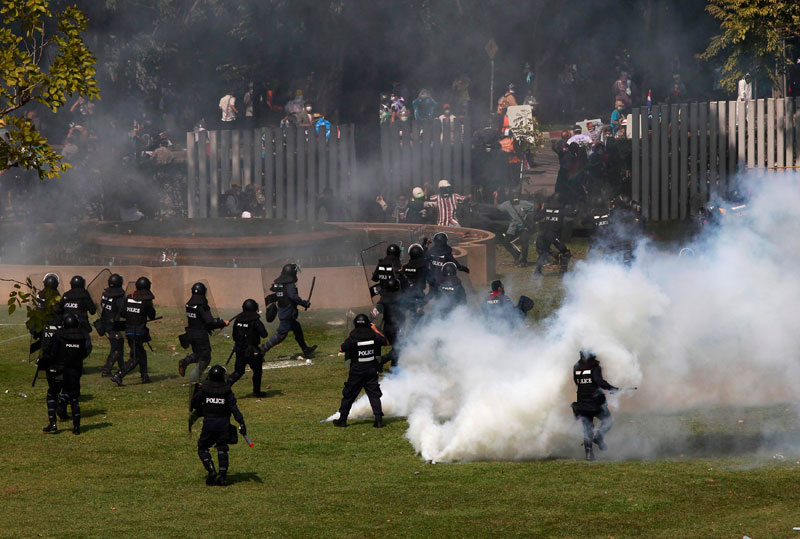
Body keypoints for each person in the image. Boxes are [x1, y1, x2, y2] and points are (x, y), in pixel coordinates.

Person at [191, 365, 246, 486]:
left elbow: (195, 403)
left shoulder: (205, 389)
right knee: (222, 448)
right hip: (223, 425)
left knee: (203, 447)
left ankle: (211, 469)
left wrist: (196, 391)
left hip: (209, 424)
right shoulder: (227, 391)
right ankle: (222, 476)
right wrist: (241, 422)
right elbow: (234, 409)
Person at [332, 314, 388, 428]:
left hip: (356, 371)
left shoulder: (353, 337)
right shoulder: (374, 335)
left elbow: (341, 348)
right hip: (372, 370)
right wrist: (375, 329)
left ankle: (342, 420)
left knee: (349, 395)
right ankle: (378, 420)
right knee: (374, 396)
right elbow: (386, 342)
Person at [40, 314, 89, 434]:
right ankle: (76, 427)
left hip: (59, 372)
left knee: (52, 395)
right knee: (74, 398)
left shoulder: (59, 335)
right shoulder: (81, 337)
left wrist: (43, 363)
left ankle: (53, 423)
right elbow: (84, 352)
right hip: (74, 372)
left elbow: (51, 353)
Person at [262, 264, 317, 358]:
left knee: (297, 329)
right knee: (281, 335)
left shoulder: (280, 283)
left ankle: (305, 349)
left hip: (284, 310)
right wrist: (304, 303)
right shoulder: (289, 284)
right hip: (288, 312)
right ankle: (262, 350)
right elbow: (293, 296)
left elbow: (277, 295)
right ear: (292, 273)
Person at [571, 350, 618, 461]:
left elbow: (576, 382)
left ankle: (589, 454)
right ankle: (599, 437)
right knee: (608, 420)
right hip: (595, 403)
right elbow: (599, 381)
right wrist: (612, 388)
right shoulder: (595, 366)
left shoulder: (576, 366)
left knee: (587, 429)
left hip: (582, 402)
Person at [111, 277, 157, 386]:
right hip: (138, 333)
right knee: (136, 358)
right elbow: (152, 315)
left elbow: (122, 313)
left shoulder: (128, 298)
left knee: (142, 353)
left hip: (129, 332)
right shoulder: (146, 301)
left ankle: (145, 377)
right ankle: (119, 375)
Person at [178, 283, 228, 379]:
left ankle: (186, 361)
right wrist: (222, 323)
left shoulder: (189, 304)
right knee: (205, 357)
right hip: (200, 335)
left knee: (198, 353)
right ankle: (195, 378)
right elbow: (209, 322)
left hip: (190, 334)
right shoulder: (202, 305)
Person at [228, 299, 269, 396]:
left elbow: (234, 336)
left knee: (238, 372)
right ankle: (257, 392)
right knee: (257, 371)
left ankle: (224, 387)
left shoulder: (238, 320)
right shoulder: (255, 321)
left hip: (239, 350)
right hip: (252, 351)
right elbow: (264, 334)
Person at [96, 273, 126, 377]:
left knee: (119, 345)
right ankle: (106, 370)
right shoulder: (119, 297)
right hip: (115, 325)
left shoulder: (106, 294)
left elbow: (102, 304)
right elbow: (122, 311)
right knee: (117, 348)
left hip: (105, 322)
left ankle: (123, 367)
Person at [495, 191, 536, 266]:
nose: (515, 198)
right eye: (513, 196)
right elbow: (497, 207)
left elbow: (535, 207)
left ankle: (523, 260)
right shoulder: (506, 204)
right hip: (513, 227)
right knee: (505, 242)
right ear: (509, 197)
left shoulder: (524, 203)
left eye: (516, 195)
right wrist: (495, 197)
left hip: (523, 227)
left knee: (525, 241)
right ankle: (516, 255)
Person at [59, 275, 97, 354]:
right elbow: (92, 311)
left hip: (66, 327)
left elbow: (59, 309)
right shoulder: (84, 295)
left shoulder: (66, 295)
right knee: (87, 346)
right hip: (81, 327)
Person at [533, 198, 572, 276]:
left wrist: (540, 208)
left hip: (543, 235)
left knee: (544, 253)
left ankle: (537, 272)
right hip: (553, 235)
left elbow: (535, 218)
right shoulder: (562, 210)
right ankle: (562, 273)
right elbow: (573, 213)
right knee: (566, 253)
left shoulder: (545, 210)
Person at [374, 277, 406, 367]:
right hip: (397, 327)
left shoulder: (382, 300)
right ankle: (382, 360)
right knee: (399, 348)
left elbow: (373, 314)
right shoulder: (401, 298)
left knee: (396, 348)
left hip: (387, 327)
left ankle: (394, 368)